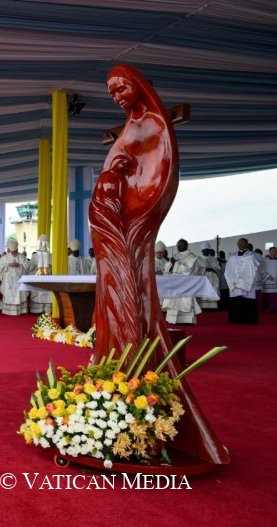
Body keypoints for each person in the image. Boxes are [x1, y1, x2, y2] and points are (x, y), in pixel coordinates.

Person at [88, 64, 228, 466]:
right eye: (110, 91)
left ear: (138, 87)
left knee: (135, 308)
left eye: (121, 88)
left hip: (132, 228)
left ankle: (142, 407)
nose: (116, 95)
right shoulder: (125, 130)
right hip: (113, 228)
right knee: (112, 308)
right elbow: (118, 162)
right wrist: (109, 183)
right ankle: (114, 398)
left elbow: (154, 180)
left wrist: (124, 197)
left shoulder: (157, 124)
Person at [161, 239, 204, 324]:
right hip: (174, 282)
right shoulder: (175, 255)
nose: (179, 247)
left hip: (185, 282)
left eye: (181, 245)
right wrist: (171, 265)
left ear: (186, 245)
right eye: (178, 245)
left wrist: (175, 263)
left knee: (184, 301)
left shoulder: (191, 256)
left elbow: (189, 269)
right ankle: (173, 319)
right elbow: (167, 269)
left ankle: (186, 320)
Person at [225, 237, 260, 324]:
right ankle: (236, 318)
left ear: (246, 244)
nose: (240, 245)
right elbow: (228, 269)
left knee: (247, 299)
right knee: (237, 299)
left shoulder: (252, 256)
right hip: (235, 282)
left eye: (242, 243)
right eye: (238, 243)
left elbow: (255, 268)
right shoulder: (233, 256)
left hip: (248, 281)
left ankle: (249, 319)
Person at [0, 238, 28, 315]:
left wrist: (19, 265)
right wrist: (8, 265)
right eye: (12, 251)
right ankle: (8, 310)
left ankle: (20, 310)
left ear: (17, 249)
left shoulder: (22, 257)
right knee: (9, 292)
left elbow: (27, 266)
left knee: (19, 293)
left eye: (15, 251)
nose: (14, 253)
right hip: (8, 280)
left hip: (19, 278)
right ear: (9, 250)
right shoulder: (4, 258)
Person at [197, 241, 221, 310]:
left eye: (207, 250)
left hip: (212, 277)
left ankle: (213, 307)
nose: (206, 252)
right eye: (205, 251)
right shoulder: (198, 258)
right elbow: (196, 269)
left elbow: (218, 268)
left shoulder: (213, 258)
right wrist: (205, 269)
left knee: (213, 290)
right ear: (202, 251)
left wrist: (213, 269)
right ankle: (203, 307)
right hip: (203, 278)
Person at [262, 246, 277, 312]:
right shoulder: (265, 260)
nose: (275, 252)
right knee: (269, 296)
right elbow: (262, 270)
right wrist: (268, 276)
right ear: (270, 252)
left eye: (276, 251)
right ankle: (268, 308)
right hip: (268, 280)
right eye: (273, 251)